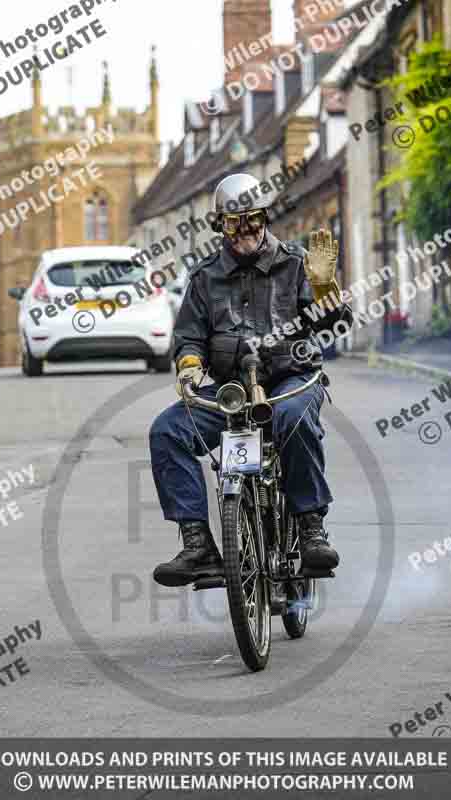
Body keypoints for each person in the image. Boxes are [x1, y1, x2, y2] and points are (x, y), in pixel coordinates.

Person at [149, 173, 352, 587]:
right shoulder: (205, 278)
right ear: (219, 225)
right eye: (233, 223)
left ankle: (311, 529)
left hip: (290, 380)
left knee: (292, 418)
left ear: (265, 220)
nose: (245, 231)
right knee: (167, 430)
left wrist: (327, 290)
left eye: (253, 221)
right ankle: (198, 546)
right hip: (232, 393)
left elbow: (338, 325)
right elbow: (188, 336)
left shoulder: (296, 265)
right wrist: (189, 366)